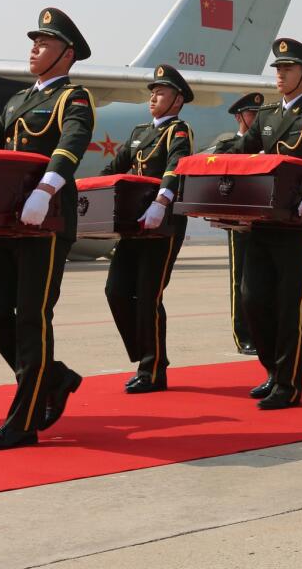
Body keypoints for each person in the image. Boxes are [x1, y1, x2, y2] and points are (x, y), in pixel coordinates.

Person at [0, 7, 95, 448]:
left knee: (32, 318)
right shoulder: (18, 101)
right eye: (34, 42)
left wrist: (46, 188)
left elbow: (73, 141)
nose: (34, 49)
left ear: (67, 53)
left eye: (43, 43)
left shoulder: (73, 97)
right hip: (8, 224)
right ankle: (53, 378)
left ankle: (22, 422)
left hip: (47, 219)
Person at [215, 38, 302, 409]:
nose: (280, 73)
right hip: (267, 219)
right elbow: (242, 151)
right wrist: (204, 161)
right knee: (253, 297)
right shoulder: (269, 115)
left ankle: (288, 383)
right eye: (277, 68)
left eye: (287, 68)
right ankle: (273, 370)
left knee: (293, 303)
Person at [101, 65, 194, 393]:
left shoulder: (178, 131)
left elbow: (177, 165)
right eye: (152, 92)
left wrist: (162, 201)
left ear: (177, 100)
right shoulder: (139, 133)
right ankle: (147, 356)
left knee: (148, 296)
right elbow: (113, 168)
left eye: (161, 92)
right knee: (115, 291)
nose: (153, 97)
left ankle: (152, 370)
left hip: (162, 224)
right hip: (133, 226)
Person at [206, 92, 266, 356]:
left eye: (258, 114)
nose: (255, 119)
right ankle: (244, 336)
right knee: (240, 280)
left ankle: (265, 332)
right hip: (239, 222)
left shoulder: (272, 144)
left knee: (265, 281)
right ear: (238, 116)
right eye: (251, 113)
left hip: (266, 220)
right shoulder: (226, 144)